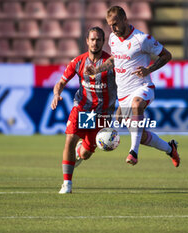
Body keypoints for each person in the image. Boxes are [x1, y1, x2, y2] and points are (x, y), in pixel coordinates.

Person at [85, 6, 180, 167]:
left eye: (115, 24)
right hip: (123, 94)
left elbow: (167, 55)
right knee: (141, 136)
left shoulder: (142, 39)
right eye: (110, 25)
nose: (113, 28)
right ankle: (170, 149)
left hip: (143, 87)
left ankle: (133, 153)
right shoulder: (113, 39)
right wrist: (97, 69)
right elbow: (115, 59)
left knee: (137, 105)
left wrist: (149, 69)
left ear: (125, 20)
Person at [51, 27, 117, 194]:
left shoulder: (111, 63)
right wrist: (56, 94)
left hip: (103, 113)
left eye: (98, 40)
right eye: (92, 39)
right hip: (83, 108)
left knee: (86, 153)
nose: (95, 43)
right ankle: (67, 184)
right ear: (87, 41)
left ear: (103, 42)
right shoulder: (78, 62)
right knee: (70, 138)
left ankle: (80, 151)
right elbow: (60, 83)